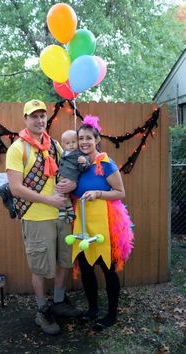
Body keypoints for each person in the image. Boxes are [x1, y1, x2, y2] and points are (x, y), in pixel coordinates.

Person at [6, 99, 82, 335]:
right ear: (25, 119)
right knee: (39, 268)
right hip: (37, 218)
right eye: (34, 116)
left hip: (62, 215)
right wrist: (49, 200)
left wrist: (73, 183)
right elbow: (16, 188)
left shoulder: (55, 146)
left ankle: (58, 302)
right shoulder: (18, 148)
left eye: (42, 116)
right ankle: (42, 311)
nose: (39, 120)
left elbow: (67, 171)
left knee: (63, 261)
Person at [72, 115, 134, 329]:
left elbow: (120, 192)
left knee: (108, 270)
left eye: (89, 138)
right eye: (81, 138)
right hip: (83, 222)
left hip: (107, 224)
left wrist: (98, 192)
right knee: (87, 269)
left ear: (97, 139)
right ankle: (92, 309)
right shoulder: (78, 163)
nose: (84, 142)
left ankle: (112, 315)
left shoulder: (106, 164)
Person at [57, 129, 90, 223]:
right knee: (64, 195)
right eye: (68, 143)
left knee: (58, 192)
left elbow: (82, 167)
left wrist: (84, 162)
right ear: (63, 144)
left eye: (73, 142)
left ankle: (62, 210)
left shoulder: (79, 154)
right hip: (62, 177)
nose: (71, 145)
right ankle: (71, 212)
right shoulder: (63, 152)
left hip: (70, 177)